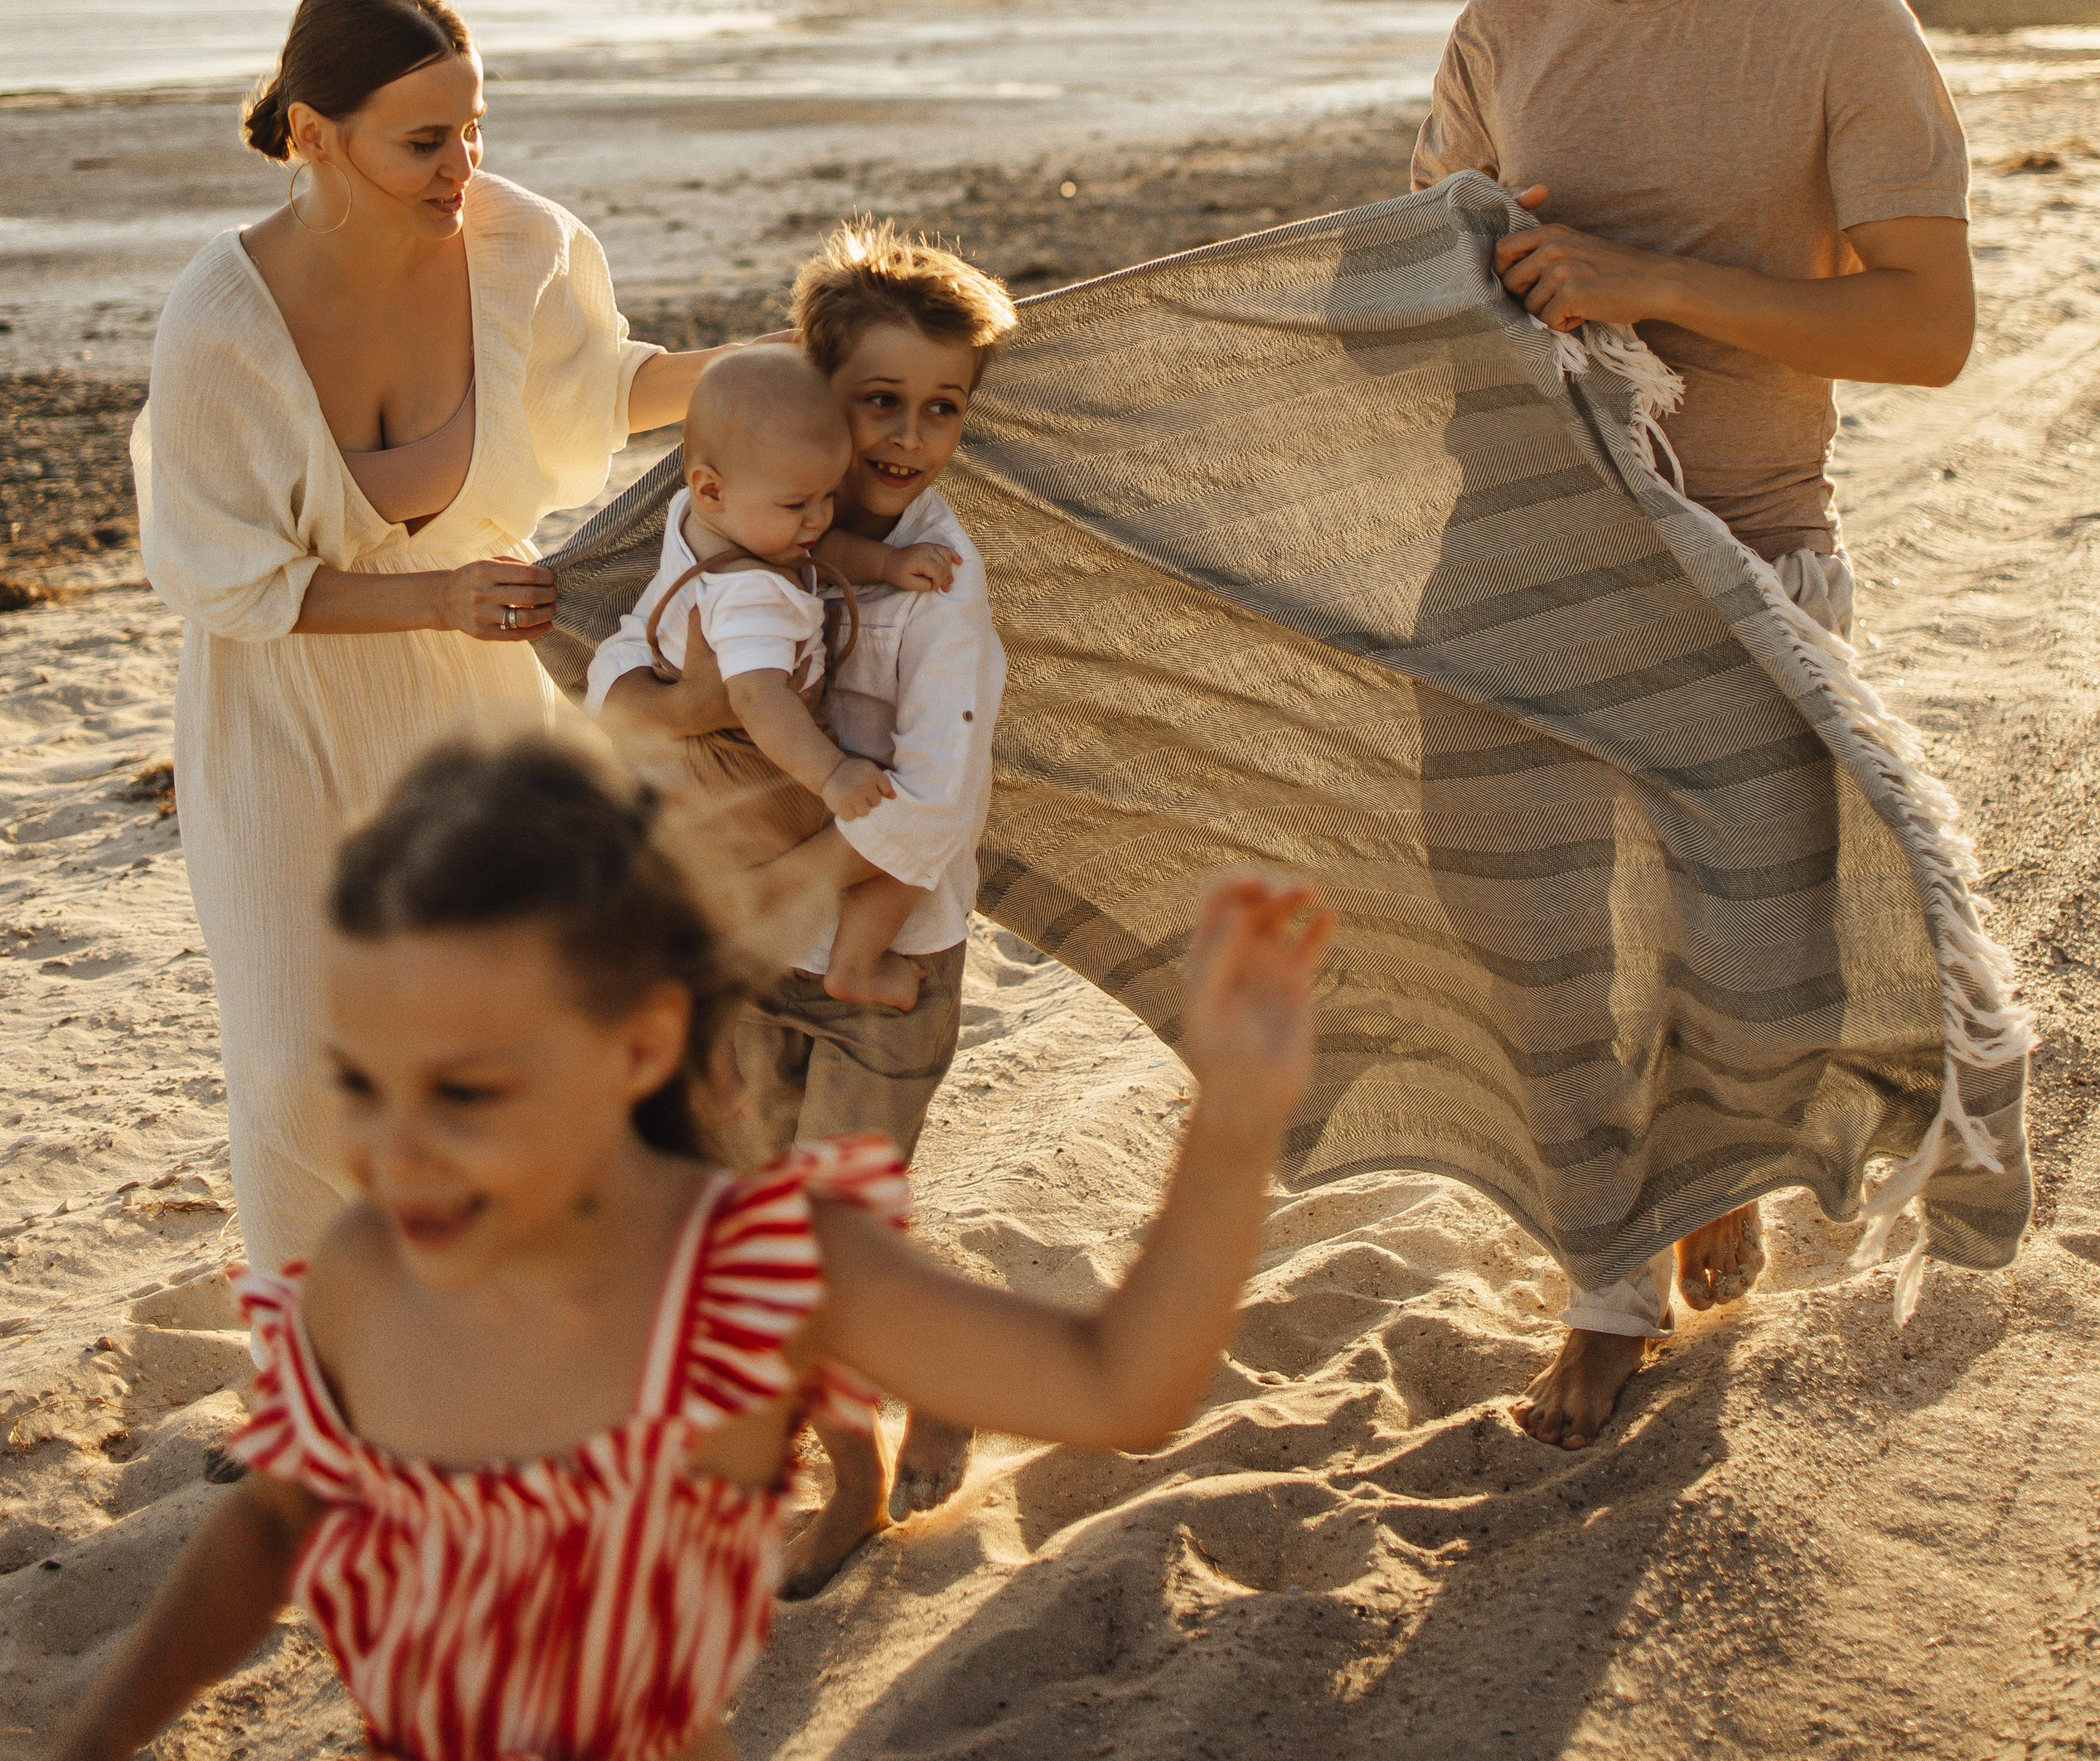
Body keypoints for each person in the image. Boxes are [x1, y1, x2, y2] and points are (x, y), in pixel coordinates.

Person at [49, 740, 1330, 1761]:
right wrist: (100, 1731)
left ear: (641, 1048)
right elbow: (277, 1520)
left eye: (470, 1093)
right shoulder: (364, 1277)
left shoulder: (754, 1276)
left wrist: (1230, 1122)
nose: (399, 1155)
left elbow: (1121, 1387)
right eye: (363, 1086)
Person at [1411, 0, 1975, 1450]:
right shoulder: (1502, 22)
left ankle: (1714, 1163)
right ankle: (1606, 1283)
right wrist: (1476, 273)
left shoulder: (1835, 22)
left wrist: (1648, 283)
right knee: (1538, 935)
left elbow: (1925, 330)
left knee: (1728, 950)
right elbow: (1428, 283)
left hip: (1744, 544)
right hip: (1520, 542)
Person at [132, 0, 728, 1279]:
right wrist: (439, 597)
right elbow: (225, 579)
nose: (461, 165)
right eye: (422, 141)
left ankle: (483, 1333)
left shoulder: (528, 248)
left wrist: (762, 369)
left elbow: (601, 392)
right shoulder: (221, 319)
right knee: (299, 1065)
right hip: (278, 705)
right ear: (311, 135)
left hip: (477, 706)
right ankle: (318, 1375)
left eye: (475, 128)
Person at [598, 219, 1014, 1582]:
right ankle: (936, 1375)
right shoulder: (726, 525)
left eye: (939, 409)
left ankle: (854, 1485)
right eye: (874, 402)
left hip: (883, 957)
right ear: (812, 398)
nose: (903, 437)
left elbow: (936, 808)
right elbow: (617, 648)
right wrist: (667, 707)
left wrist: (786, 877)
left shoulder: (944, 589)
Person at [585, 346, 929, 1012]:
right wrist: (831, 775)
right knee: (909, 838)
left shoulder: (702, 519)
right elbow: (755, 695)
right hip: (755, 770)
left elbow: (814, 548)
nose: (820, 519)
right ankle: (855, 966)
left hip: (679, 773)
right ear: (711, 486)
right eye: (799, 503)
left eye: (830, 497)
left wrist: (884, 564)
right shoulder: (749, 594)